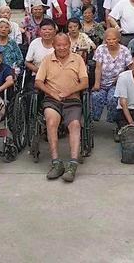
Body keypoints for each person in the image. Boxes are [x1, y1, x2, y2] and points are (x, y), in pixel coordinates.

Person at [35, 33, 89, 182]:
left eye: (65, 44)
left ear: (69, 44)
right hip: (52, 100)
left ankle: (72, 164)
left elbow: (85, 82)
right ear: (53, 45)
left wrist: (70, 91)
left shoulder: (77, 59)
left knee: (75, 125)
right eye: (58, 45)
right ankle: (56, 162)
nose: (62, 47)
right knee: (51, 122)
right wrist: (52, 92)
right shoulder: (47, 60)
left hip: (72, 99)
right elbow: (38, 82)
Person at [92, 28, 133, 123]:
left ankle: (112, 120)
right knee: (96, 96)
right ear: (105, 40)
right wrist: (97, 84)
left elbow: (131, 67)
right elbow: (98, 68)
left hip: (117, 84)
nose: (111, 42)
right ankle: (94, 119)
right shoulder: (101, 49)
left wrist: (121, 77)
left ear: (118, 39)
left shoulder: (124, 50)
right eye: (108, 39)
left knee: (113, 98)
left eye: (114, 39)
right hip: (102, 82)